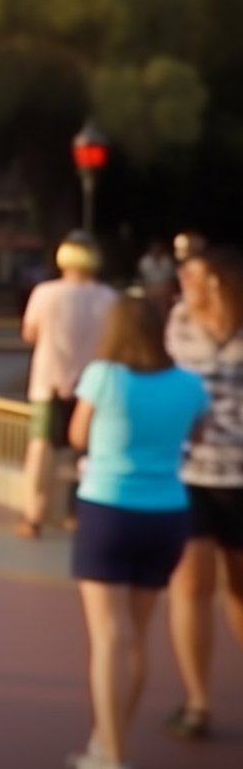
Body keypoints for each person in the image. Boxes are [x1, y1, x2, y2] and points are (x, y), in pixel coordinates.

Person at [66, 294, 209, 769]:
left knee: (107, 635)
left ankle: (112, 756)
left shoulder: (104, 377)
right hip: (167, 513)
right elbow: (199, 435)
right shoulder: (189, 384)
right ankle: (108, 741)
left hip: (109, 508)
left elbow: (77, 436)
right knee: (136, 638)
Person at [162, 245, 243, 741]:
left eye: (192, 275)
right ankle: (197, 701)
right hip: (190, 474)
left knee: (239, 590)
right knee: (191, 588)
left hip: (241, 477)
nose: (183, 282)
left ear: (219, 281)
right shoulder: (178, 321)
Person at [18, 233, 118, 538]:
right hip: (92, 383)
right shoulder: (108, 297)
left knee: (41, 448)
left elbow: (29, 334)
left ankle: (34, 515)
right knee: (87, 451)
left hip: (48, 381)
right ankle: (78, 513)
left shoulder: (45, 293)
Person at [138, 240, 177, 307]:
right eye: (154, 248)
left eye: (158, 248)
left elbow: (171, 278)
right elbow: (142, 279)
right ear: (150, 249)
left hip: (166, 289)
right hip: (151, 289)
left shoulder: (166, 260)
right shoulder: (145, 261)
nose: (156, 250)